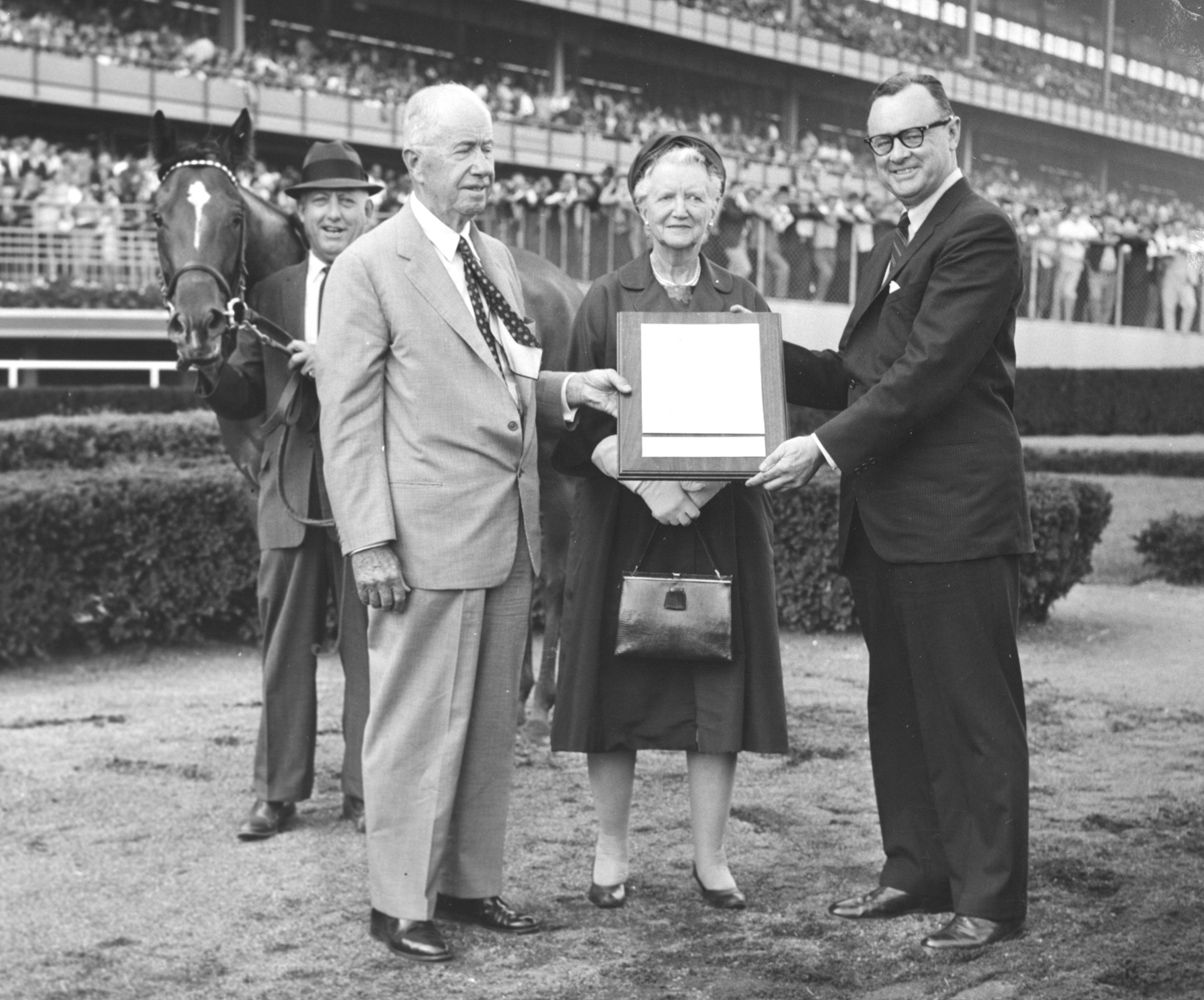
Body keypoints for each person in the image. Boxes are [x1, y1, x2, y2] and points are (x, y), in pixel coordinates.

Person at [315, 83, 630, 964]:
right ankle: (397, 905)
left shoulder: (490, 253)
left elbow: (507, 377)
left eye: (489, 148)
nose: (486, 165)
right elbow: (346, 419)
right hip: (419, 540)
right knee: (415, 724)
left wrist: (571, 388)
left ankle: (467, 884)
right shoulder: (369, 265)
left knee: (491, 721)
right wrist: (368, 539)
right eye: (464, 151)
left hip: (509, 530)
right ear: (414, 162)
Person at [748, 73, 1033, 951]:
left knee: (971, 713)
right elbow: (855, 372)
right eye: (884, 142)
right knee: (901, 707)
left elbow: (928, 375)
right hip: (892, 521)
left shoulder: (978, 231)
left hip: (955, 517)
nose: (900, 154)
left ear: (954, 133)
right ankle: (916, 869)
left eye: (916, 136)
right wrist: (748, 344)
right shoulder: (897, 241)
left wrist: (823, 447)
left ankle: (988, 899)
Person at [550, 132, 790, 913]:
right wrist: (650, 483)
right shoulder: (603, 298)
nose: (680, 209)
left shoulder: (745, 300)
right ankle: (610, 852)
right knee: (613, 691)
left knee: (715, 694)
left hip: (720, 521)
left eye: (697, 195)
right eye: (665, 196)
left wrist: (700, 484)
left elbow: (762, 421)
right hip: (626, 523)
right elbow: (575, 427)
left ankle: (711, 859)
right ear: (638, 206)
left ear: (717, 207)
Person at [197, 139, 379, 841]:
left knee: (372, 650)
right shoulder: (267, 295)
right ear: (299, 214)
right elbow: (244, 391)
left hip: (372, 488)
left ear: (369, 208)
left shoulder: (393, 282)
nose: (333, 213)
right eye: (319, 202)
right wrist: (210, 365)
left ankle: (367, 789)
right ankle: (278, 792)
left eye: (346, 200)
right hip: (291, 492)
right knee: (284, 646)